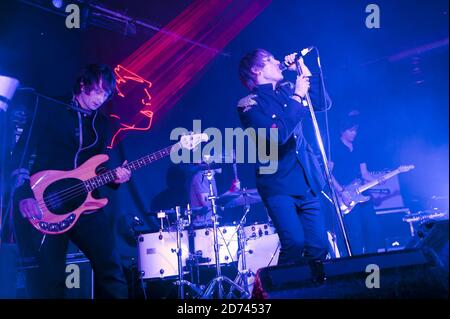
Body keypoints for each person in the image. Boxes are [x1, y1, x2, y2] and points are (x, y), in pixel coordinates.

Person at [11, 64, 131, 298]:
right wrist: (23, 194)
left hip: (86, 204)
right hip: (47, 201)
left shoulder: (101, 123)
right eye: (97, 91)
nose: (101, 98)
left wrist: (115, 177)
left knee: (112, 271)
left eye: (106, 94)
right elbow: (22, 152)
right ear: (83, 85)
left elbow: (95, 165)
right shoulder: (49, 106)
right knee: (51, 279)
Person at [236, 49, 330, 265]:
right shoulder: (249, 104)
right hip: (277, 183)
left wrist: (303, 71)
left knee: (319, 247)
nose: (278, 61)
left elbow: (323, 103)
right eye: (270, 60)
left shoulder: (288, 89)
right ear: (256, 69)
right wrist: (297, 95)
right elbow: (276, 136)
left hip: (306, 179)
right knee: (295, 244)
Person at [329, 112, 380, 255]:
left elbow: (365, 174)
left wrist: (378, 180)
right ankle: (356, 266)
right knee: (355, 235)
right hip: (346, 196)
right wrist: (341, 192)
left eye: (356, 130)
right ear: (342, 130)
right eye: (351, 130)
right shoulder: (334, 147)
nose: (354, 133)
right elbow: (328, 174)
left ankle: (371, 261)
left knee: (374, 230)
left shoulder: (359, 147)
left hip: (362, 194)